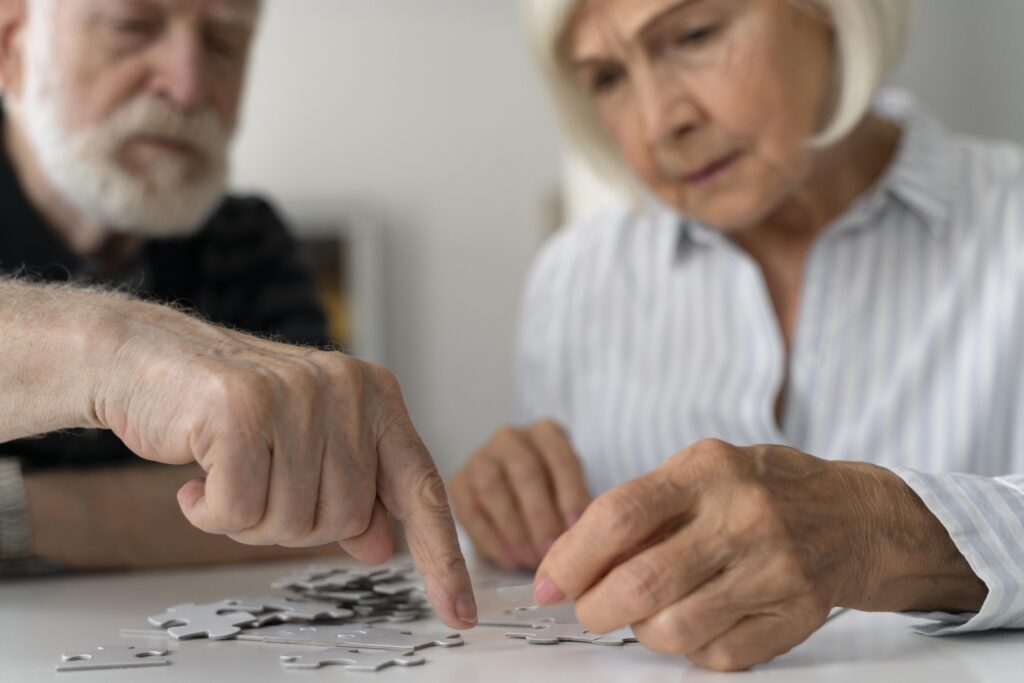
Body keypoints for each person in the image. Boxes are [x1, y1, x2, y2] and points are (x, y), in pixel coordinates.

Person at [451, 0, 1024, 667]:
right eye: (607, 78)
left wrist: (882, 529)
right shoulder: (572, 279)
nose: (661, 121)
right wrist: (506, 511)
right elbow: (548, 580)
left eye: (694, 35)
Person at [0, 0, 476, 630]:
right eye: (131, 28)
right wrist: (110, 348)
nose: (188, 84)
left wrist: (14, 511)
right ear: (12, 47)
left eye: (224, 44)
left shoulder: (247, 238)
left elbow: (329, 509)